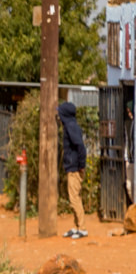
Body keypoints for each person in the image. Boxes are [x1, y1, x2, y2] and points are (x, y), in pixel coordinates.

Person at [58, 101, 88, 238]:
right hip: (72, 166)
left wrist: (81, 165)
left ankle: (82, 228)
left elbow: (81, 147)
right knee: (74, 197)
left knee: (74, 198)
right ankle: (77, 226)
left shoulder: (71, 127)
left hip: (75, 168)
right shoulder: (69, 125)